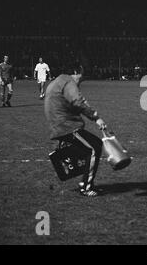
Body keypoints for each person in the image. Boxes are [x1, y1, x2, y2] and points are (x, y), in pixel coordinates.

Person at [44, 64, 107, 197]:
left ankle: (83, 179)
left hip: (59, 123)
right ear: (75, 72)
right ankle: (86, 187)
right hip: (67, 125)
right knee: (94, 149)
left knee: (94, 145)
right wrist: (96, 118)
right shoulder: (68, 81)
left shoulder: (58, 81)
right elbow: (78, 102)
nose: (80, 82)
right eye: (81, 78)